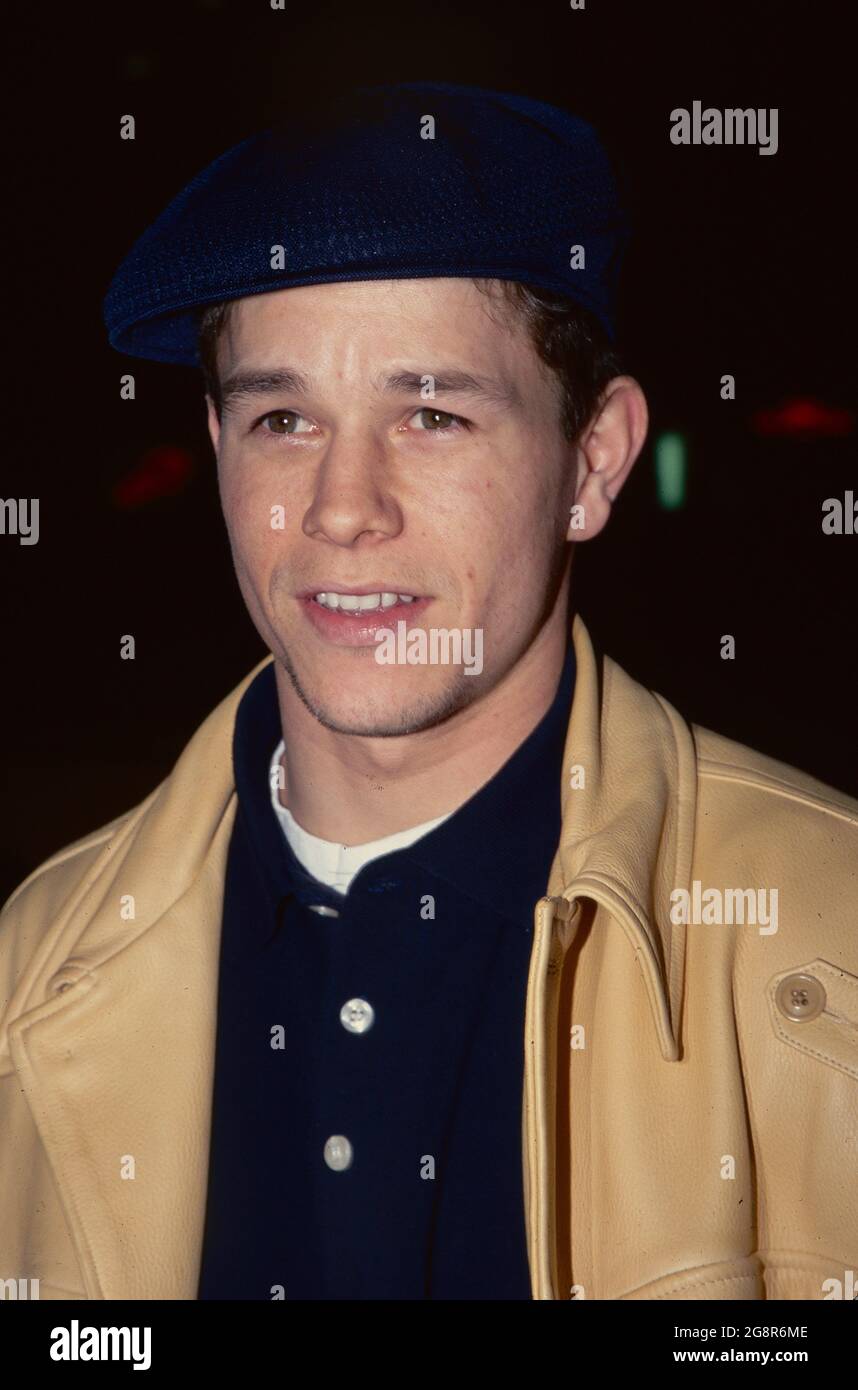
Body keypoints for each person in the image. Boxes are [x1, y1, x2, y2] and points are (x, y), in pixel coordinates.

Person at [1, 82, 856, 1302]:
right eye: (284, 417)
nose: (345, 506)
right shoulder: (28, 975)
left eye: (434, 414)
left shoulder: (832, 945)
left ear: (594, 461)